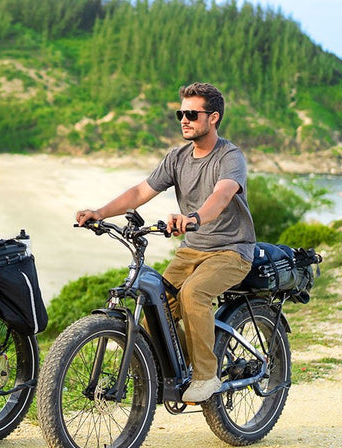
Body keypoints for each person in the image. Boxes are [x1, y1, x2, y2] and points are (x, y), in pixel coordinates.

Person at [76, 82, 255, 403]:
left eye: (192, 114)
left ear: (213, 118)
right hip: (191, 251)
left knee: (193, 293)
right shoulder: (177, 157)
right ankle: (176, 367)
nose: (184, 119)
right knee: (154, 311)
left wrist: (195, 218)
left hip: (232, 250)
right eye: (180, 114)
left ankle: (206, 375)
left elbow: (222, 194)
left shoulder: (230, 157)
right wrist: (99, 212)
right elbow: (140, 192)